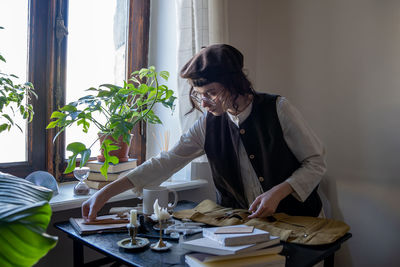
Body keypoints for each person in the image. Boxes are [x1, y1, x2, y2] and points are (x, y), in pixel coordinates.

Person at [82, 44, 326, 221]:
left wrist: (279, 191)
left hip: (299, 220)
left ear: (234, 83)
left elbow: (315, 162)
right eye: (199, 95)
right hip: (244, 223)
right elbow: (166, 161)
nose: (204, 102)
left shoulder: (278, 109)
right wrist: (105, 193)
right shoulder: (208, 124)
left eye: (211, 92)